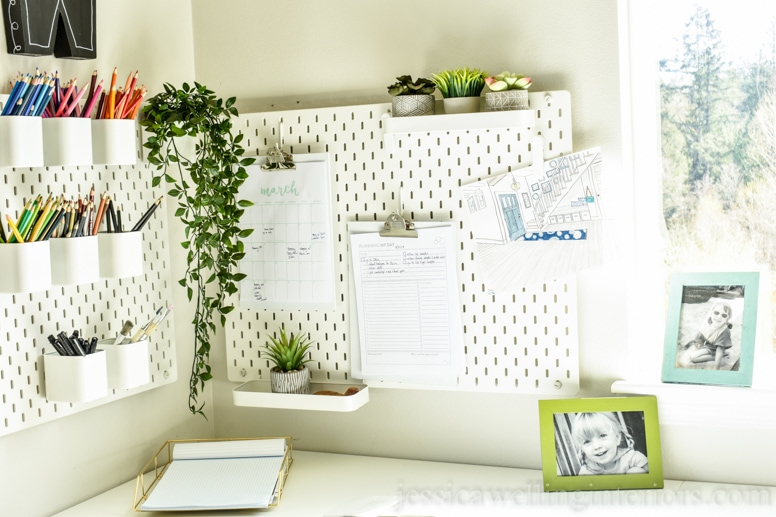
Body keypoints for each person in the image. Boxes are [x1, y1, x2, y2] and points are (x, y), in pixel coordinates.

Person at [571, 412, 649, 475]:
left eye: (602, 436)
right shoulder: (586, 472)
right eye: (587, 441)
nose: (596, 446)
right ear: (582, 448)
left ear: (617, 437)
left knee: (635, 471)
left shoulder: (633, 458)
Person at [684, 301, 733, 370]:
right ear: (711, 313)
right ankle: (719, 355)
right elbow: (699, 339)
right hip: (707, 346)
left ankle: (723, 355)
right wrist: (697, 345)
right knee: (691, 352)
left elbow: (719, 350)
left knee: (694, 357)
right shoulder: (708, 326)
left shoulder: (724, 330)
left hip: (715, 349)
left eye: (724, 315)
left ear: (727, 318)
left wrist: (716, 368)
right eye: (716, 313)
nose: (719, 317)